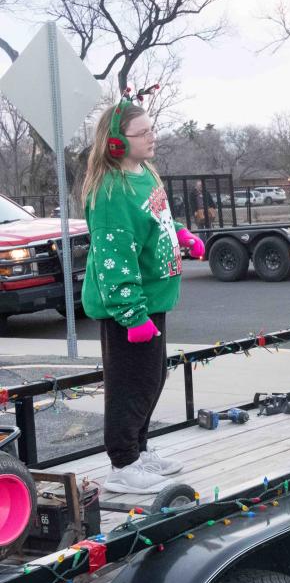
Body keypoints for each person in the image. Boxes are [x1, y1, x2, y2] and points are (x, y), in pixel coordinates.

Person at [80, 91, 205, 494]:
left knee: (151, 378)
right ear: (116, 142)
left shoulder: (145, 174)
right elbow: (114, 259)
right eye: (142, 132)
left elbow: (157, 217)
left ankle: (140, 449)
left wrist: (181, 235)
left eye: (152, 129)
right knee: (130, 383)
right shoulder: (112, 193)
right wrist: (132, 315)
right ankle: (123, 464)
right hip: (129, 309)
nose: (152, 137)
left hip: (154, 299)